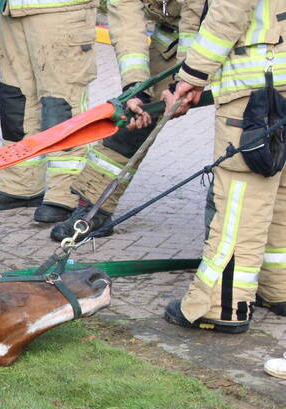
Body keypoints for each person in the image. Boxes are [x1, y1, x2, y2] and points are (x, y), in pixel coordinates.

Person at [159, 0, 286, 333]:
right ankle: (279, 288)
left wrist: (191, 77)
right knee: (281, 195)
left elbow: (228, 13)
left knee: (240, 201)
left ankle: (220, 305)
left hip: (257, 88)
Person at [48, 0, 204, 242]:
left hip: (247, 46)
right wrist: (136, 87)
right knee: (135, 116)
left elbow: (196, 17)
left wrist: (187, 79)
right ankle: (94, 206)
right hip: (175, 40)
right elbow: (126, 19)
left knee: (246, 133)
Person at [0, 0, 99, 225]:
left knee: (61, 105)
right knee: (16, 102)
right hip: (12, 12)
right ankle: (20, 185)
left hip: (61, 12)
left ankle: (67, 192)